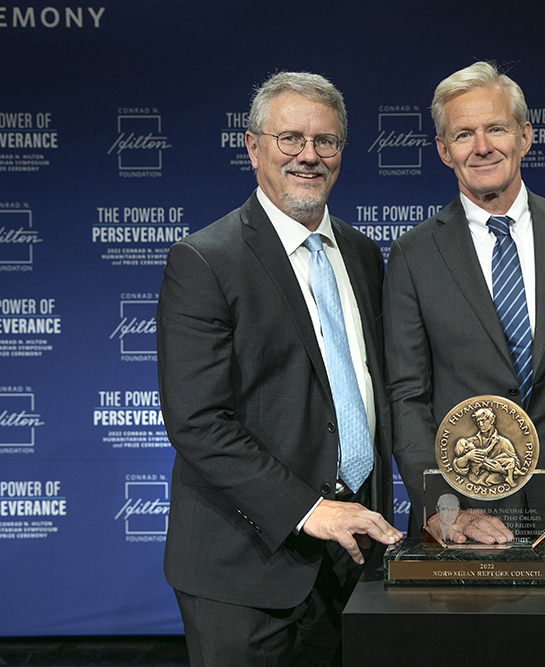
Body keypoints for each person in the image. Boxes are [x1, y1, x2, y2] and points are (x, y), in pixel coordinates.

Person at [157, 71, 402, 667]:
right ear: (253, 146)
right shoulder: (204, 260)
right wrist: (308, 509)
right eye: (290, 139)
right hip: (244, 566)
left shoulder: (365, 254)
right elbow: (197, 421)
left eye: (326, 142)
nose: (308, 156)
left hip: (352, 559)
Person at [384, 61, 545, 543]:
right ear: (444, 151)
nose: (483, 146)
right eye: (464, 134)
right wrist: (442, 510)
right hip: (465, 515)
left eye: (496, 128)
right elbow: (407, 399)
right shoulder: (413, 254)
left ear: (526, 136)